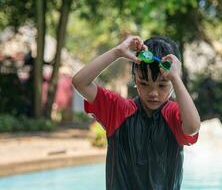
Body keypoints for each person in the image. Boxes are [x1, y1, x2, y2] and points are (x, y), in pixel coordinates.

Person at [72, 35, 201, 189]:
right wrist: (117, 52)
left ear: (172, 83)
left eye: (162, 85)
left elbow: (193, 127)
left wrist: (176, 78)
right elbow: (80, 82)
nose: (153, 93)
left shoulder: (173, 115)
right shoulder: (118, 110)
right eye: (144, 83)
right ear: (135, 79)